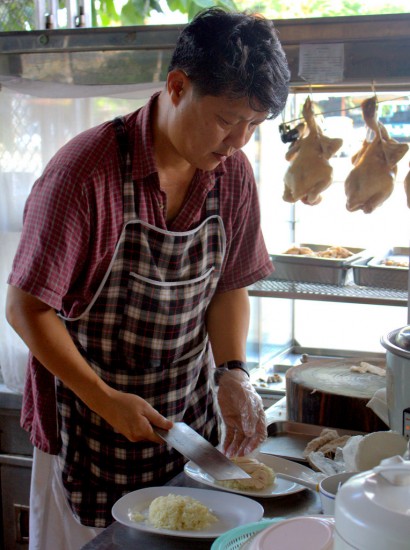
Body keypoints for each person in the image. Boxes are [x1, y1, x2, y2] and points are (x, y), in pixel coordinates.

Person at [6, 7, 290, 549]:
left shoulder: (231, 173)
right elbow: (26, 308)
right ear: (177, 86)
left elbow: (230, 284)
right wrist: (105, 398)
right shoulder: (84, 173)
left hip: (188, 425)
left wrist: (233, 372)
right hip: (89, 429)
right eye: (229, 119)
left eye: (254, 125)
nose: (239, 141)